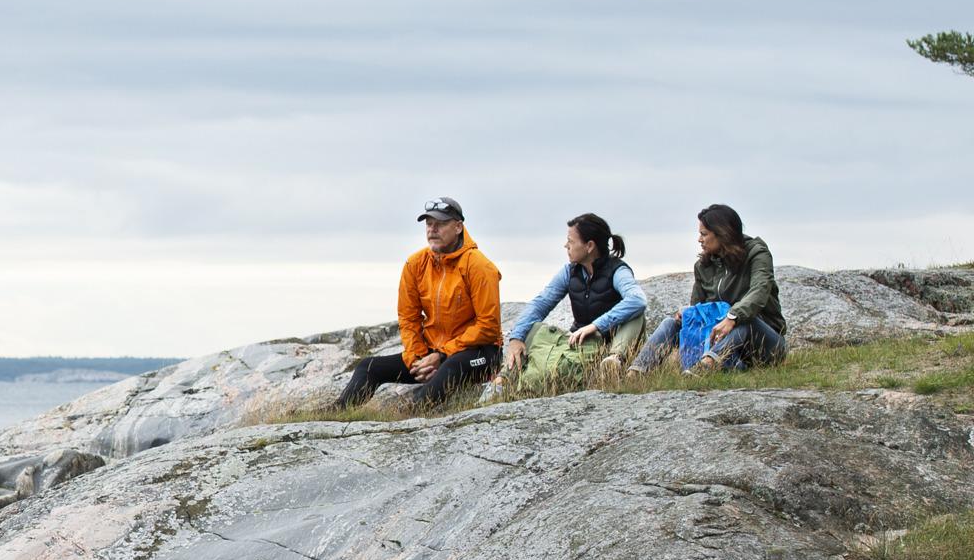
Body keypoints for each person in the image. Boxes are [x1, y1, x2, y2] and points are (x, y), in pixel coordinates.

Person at [337, 197, 503, 409]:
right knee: (368, 366)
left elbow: (488, 327)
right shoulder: (415, 264)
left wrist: (441, 355)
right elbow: (408, 317)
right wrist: (418, 357)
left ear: (458, 227)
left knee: (450, 367)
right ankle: (337, 412)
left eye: (441, 223)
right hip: (432, 354)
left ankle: (408, 416)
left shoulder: (479, 266)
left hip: (481, 355)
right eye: (429, 224)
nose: (433, 229)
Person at [495, 213, 648, 394]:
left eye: (571, 241)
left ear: (589, 246)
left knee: (636, 315)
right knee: (532, 326)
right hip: (581, 342)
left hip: (611, 340)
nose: (566, 246)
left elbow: (637, 299)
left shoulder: (617, 270)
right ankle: (502, 381)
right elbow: (541, 303)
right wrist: (516, 338)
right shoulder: (570, 272)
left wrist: (596, 326)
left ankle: (612, 363)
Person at [631, 203, 788, 374]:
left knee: (745, 320)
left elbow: (760, 289)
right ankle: (636, 372)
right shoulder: (703, 266)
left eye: (704, 234)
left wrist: (732, 317)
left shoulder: (757, 254)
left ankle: (706, 366)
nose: (699, 240)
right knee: (671, 323)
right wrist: (688, 314)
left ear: (723, 233)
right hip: (726, 349)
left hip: (764, 346)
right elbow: (698, 313)